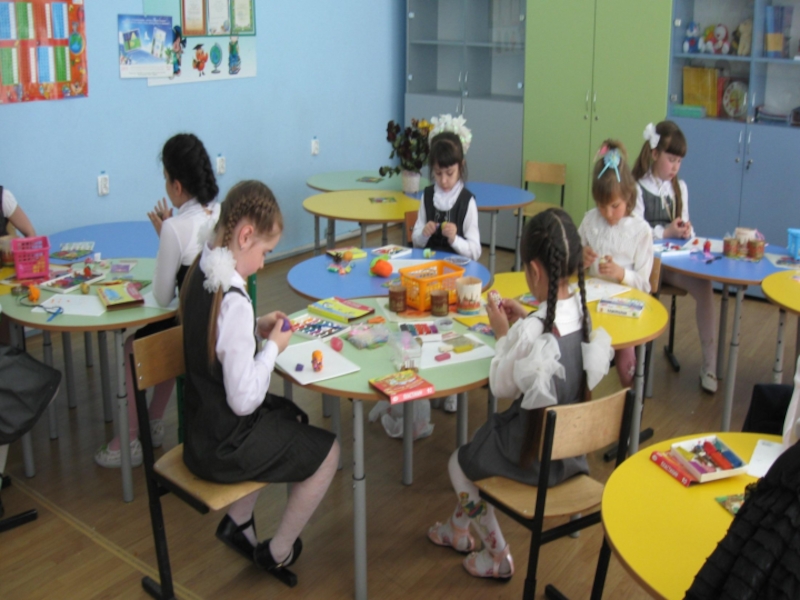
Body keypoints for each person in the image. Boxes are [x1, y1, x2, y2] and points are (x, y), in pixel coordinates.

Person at [427, 208, 613, 579]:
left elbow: (501, 386)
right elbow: (550, 345)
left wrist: (503, 334)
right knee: (479, 455)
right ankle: (457, 529)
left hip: (534, 452)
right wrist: (527, 319)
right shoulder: (582, 314)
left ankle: (497, 555)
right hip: (570, 454)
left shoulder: (532, 331)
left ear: (534, 271)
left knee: (460, 464)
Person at [180, 180, 339, 583]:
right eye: (265, 252)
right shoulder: (232, 300)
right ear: (245, 235)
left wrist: (254, 327)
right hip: (223, 445)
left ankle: (239, 523)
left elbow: (218, 340)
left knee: (289, 418)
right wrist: (272, 349)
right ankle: (277, 552)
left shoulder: (203, 268)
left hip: (199, 431)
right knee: (328, 453)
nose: (265, 264)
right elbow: (244, 399)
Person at [94, 133, 220, 468]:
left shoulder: (175, 227)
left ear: (176, 186)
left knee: (133, 346)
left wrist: (166, 237)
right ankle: (153, 419)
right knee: (166, 328)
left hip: (192, 335)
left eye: (166, 178)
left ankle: (128, 441)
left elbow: (163, 297)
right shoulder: (220, 212)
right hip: (217, 326)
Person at [633, 121, 718, 393]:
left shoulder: (680, 188)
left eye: (679, 161)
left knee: (704, 287)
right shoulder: (638, 187)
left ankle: (710, 366)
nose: (675, 167)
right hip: (648, 265)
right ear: (654, 153)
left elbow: (686, 225)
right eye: (671, 160)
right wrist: (664, 232)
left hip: (674, 263)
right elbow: (634, 232)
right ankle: (637, 362)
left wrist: (686, 231)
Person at [412, 131, 480, 412]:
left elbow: (475, 250)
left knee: (452, 330)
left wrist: (456, 240)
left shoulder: (467, 201)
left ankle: (454, 387)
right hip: (429, 276)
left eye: (449, 174)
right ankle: (429, 376)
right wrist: (424, 233)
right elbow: (415, 239)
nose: (443, 180)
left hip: (456, 279)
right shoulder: (428, 196)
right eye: (438, 174)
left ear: (460, 167)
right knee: (427, 327)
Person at [579, 140, 653, 387]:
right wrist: (581, 258)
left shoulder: (640, 231)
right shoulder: (590, 221)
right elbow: (573, 263)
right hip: (590, 305)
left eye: (615, 206)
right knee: (579, 353)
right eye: (601, 206)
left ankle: (630, 402)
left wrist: (621, 274)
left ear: (628, 197)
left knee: (625, 362)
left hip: (625, 309)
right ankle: (585, 402)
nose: (608, 213)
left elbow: (644, 285)